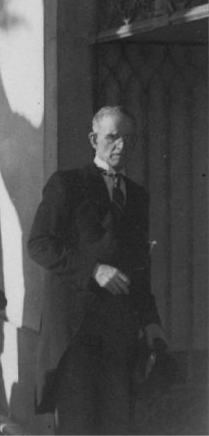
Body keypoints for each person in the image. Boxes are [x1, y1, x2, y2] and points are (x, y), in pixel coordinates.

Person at [28, 106, 164, 435]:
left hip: (119, 330)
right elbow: (39, 244)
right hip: (76, 330)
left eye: (128, 138)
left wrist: (151, 321)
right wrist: (93, 270)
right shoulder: (68, 183)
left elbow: (140, 267)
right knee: (77, 423)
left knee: (116, 423)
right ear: (94, 139)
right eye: (112, 137)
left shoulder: (138, 196)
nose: (121, 145)